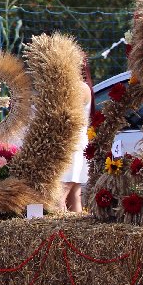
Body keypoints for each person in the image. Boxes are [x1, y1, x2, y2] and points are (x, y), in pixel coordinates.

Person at [60, 59, 93, 212]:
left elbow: (66, 115)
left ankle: (57, 233)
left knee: (59, 197)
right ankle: (75, 233)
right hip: (76, 145)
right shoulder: (79, 87)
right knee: (74, 195)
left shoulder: (80, 88)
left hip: (72, 146)